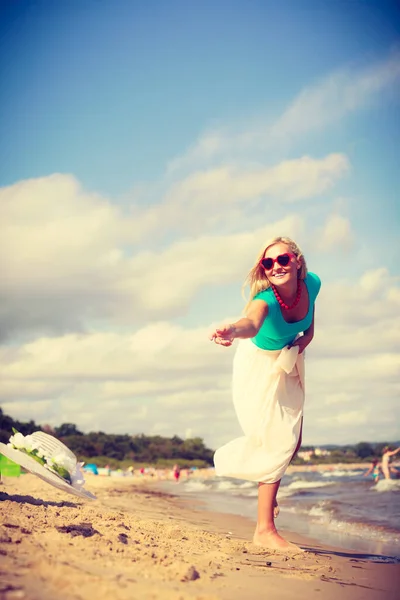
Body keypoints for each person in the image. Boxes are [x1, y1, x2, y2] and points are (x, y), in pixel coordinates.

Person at [209, 236, 321, 551]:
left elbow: (310, 324)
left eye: (283, 259)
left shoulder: (312, 283)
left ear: (297, 260)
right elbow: (252, 323)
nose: (276, 267)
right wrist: (232, 330)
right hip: (257, 365)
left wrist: (303, 343)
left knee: (294, 439)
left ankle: (267, 500)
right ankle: (264, 529)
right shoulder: (265, 300)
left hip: (288, 358)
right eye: (268, 263)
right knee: (277, 440)